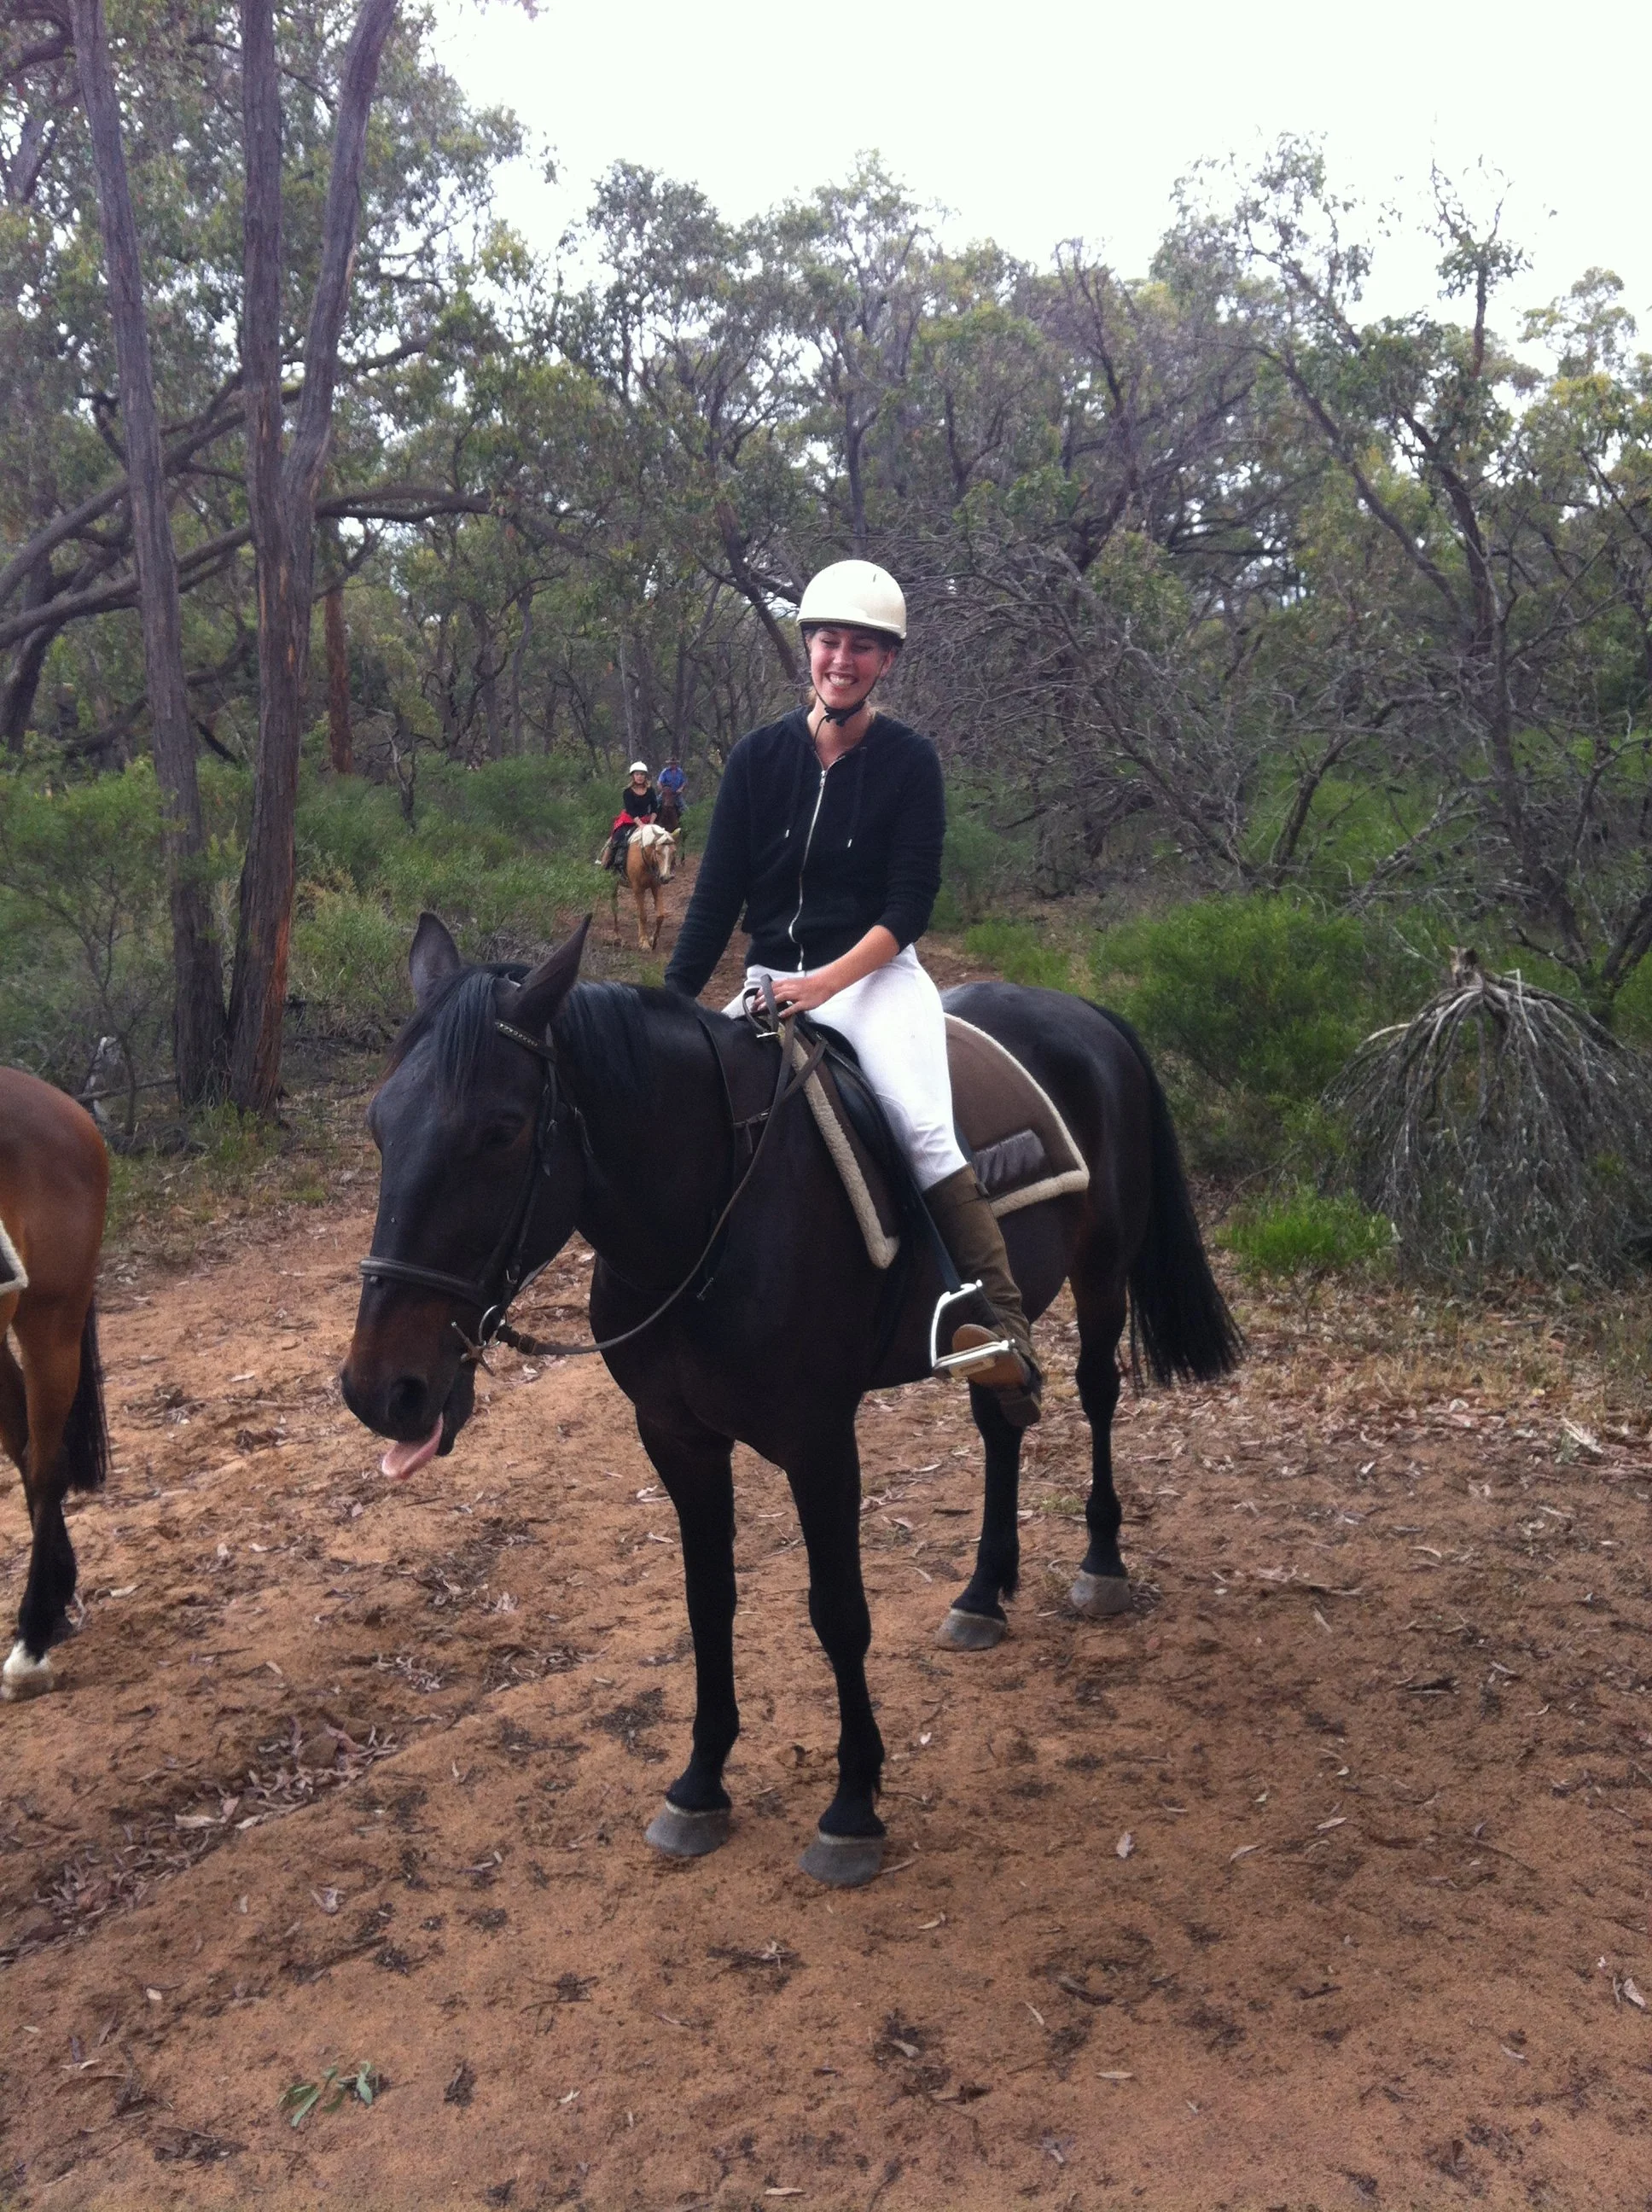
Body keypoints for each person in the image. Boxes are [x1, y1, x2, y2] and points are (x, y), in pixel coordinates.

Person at [662, 560, 1040, 1424]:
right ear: (808, 649)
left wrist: (822, 983)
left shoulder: (909, 762)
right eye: (830, 640)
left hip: (870, 977)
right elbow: (715, 898)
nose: (842, 658)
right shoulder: (759, 758)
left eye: (862, 647)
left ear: (886, 662)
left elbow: (907, 908)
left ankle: (1002, 1328)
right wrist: (673, 1005)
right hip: (769, 981)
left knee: (916, 1122)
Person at [596, 761, 659, 870]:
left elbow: (654, 807)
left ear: (645, 776)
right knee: (618, 838)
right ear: (633, 776)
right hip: (629, 820)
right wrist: (640, 825)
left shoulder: (650, 790)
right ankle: (608, 863)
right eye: (637, 774)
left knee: (660, 838)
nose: (640, 777)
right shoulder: (627, 792)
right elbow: (631, 810)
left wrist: (651, 824)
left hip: (647, 820)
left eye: (642, 774)